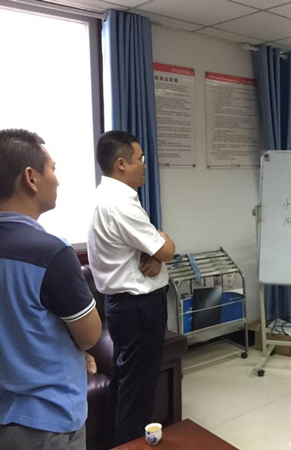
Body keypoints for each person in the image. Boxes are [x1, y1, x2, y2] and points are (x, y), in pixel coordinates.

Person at [0, 129, 102, 449]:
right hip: (46, 422)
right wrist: (79, 349)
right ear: (31, 178)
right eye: (53, 169)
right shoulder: (50, 252)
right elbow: (89, 335)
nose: (57, 180)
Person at [87, 130, 176, 446]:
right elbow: (166, 250)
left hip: (124, 305)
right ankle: (130, 443)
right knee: (138, 394)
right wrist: (163, 246)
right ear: (121, 164)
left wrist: (155, 255)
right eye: (140, 159)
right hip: (139, 308)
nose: (144, 165)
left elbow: (148, 252)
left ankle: (116, 442)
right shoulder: (120, 202)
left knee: (126, 384)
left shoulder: (105, 196)